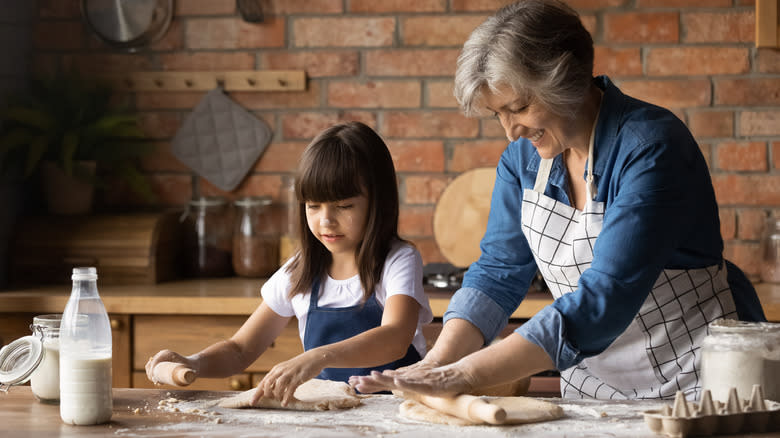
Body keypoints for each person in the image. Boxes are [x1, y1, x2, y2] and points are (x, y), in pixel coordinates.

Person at [351, 0, 765, 401]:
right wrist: (437, 362)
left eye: (520, 107)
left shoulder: (651, 147)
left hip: (697, 381)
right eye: (498, 114)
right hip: (594, 389)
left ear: (565, 79)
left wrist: (463, 374)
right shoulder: (523, 161)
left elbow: (606, 297)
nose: (510, 130)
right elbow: (498, 274)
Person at [147, 121, 433, 406]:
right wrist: (193, 362)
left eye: (344, 206)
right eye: (313, 206)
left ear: (378, 203)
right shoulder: (299, 271)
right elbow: (240, 349)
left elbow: (395, 336)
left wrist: (316, 357)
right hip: (332, 418)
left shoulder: (399, 260)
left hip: (398, 413)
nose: (326, 221)